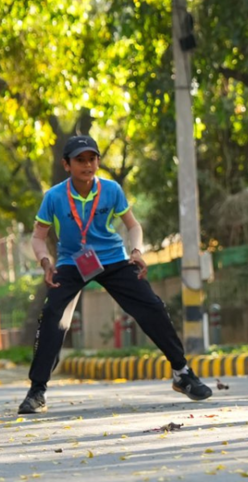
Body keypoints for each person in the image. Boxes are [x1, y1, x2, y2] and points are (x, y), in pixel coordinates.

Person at [18, 136, 212, 414]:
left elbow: (133, 226)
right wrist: (46, 263)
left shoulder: (111, 190)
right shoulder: (54, 197)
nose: (87, 165)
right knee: (52, 316)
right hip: (72, 264)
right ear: (66, 165)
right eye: (80, 160)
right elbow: (38, 237)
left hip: (113, 259)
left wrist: (136, 251)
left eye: (92, 159)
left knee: (152, 307)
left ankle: (182, 373)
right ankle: (37, 390)